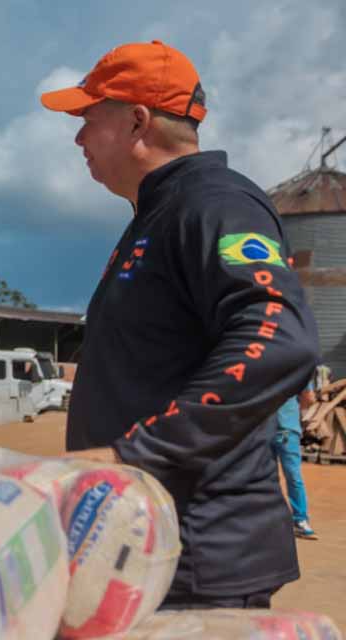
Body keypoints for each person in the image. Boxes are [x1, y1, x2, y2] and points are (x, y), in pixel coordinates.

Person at [40, 41, 320, 609]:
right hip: (150, 546)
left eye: (87, 119)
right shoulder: (159, 214)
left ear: (137, 120)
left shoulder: (215, 204)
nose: (77, 140)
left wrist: (132, 456)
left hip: (197, 558)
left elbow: (279, 338)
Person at [273, 385, 318, 540]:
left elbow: (309, 397)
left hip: (275, 430)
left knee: (267, 477)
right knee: (293, 477)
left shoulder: (260, 364)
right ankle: (300, 521)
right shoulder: (297, 364)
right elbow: (309, 397)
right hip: (283, 429)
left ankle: (299, 519)